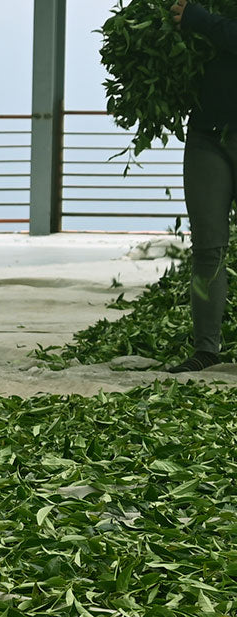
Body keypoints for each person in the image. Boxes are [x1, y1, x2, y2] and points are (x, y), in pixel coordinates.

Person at [167, 0, 237, 372]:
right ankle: (206, 350)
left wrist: (200, 20)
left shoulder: (203, 14)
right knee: (208, 249)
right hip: (206, 137)